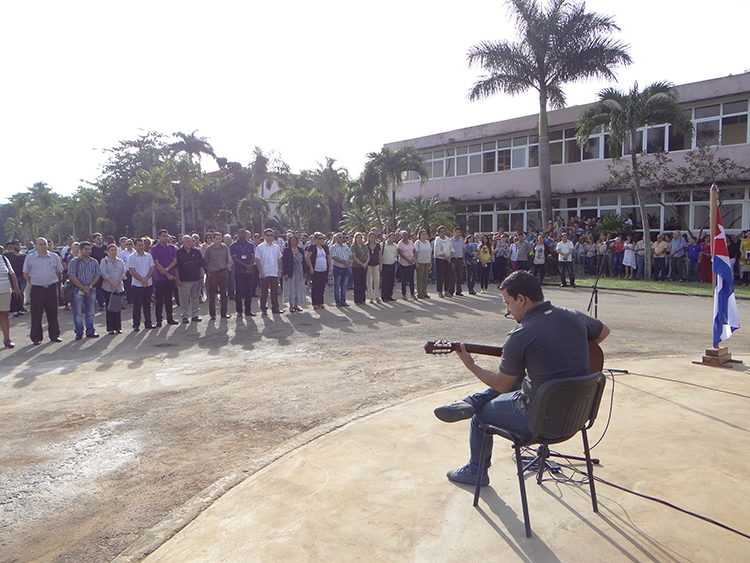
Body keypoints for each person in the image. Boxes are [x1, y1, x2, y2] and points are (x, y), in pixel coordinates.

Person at [436, 270, 609, 486]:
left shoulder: (521, 335)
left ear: (521, 299)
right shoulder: (573, 316)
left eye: (508, 303)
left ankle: (476, 470)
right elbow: (604, 332)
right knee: (519, 381)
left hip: (537, 420)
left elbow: (501, 384)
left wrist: (471, 365)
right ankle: (473, 400)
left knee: (481, 416)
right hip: (576, 417)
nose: (508, 310)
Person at [23, 237, 64, 345]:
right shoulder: (30, 258)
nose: (43, 246)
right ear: (36, 246)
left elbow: (58, 271)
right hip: (37, 289)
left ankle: (54, 335)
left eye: (44, 244)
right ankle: (36, 337)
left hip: (50, 288)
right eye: (40, 244)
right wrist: (34, 281)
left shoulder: (54, 257)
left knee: (53, 312)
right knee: (36, 313)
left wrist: (50, 279)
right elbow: (26, 273)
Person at [67, 241, 102, 340]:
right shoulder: (74, 262)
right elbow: (72, 276)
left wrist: (90, 286)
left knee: (90, 312)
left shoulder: (94, 262)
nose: (88, 251)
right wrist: (83, 287)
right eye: (86, 249)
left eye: (89, 249)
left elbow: (97, 275)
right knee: (77, 312)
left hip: (91, 289)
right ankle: (79, 332)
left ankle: (90, 331)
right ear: (80, 250)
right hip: (78, 290)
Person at [150, 229, 179, 327]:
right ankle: (159, 320)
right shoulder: (154, 248)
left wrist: (167, 270)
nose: (165, 238)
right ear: (158, 237)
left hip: (170, 277)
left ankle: (170, 318)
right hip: (159, 278)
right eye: (163, 236)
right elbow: (156, 263)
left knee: (169, 299)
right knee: (159, 300)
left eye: (167, 236)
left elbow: (174, 261)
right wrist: (166, 273)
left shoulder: (172, 247)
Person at [175, 235, 205, 323]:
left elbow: (201, 265)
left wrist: (201, 276)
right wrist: (178, 279)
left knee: (195, 298)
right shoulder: (178, 252)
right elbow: (176, 268)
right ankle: (184, 315)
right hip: (184, 280)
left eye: (190, 241)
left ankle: (195, 315)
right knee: (184, 299)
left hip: (195, 279)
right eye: (187, 241)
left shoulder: (196, 251)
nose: (189, 243)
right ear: (182, 242)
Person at [128, 238, 155, 331]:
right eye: (139, 245)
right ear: (135, 246)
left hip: (148, 283)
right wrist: (141, 280)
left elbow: (152, 268)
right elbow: (131, 271)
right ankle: (136, 324)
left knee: (147, 304)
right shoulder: (131, 257)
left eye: (142, 245)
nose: (141, 247)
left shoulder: (148, 256)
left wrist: (146, 278)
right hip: (137, 285)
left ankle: (148, 323)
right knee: (137, 305)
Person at [100, 243, 127, 335]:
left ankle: (118, 327)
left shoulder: (120, 261)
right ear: (107, 252)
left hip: (118, 287)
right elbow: (104, 273)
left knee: (117, 308)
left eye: (115, 250)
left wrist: (117, 282)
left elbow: (123, 272)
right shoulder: (105, 261)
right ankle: (110, 328)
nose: (113, 252)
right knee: (109, 307)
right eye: (111, 250)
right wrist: (112, 283)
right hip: (108, 287)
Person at [256, 228, 285, 315]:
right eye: (268, 235)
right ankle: (263, 309)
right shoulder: (260, 247)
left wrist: (279, 271)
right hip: (265, 272)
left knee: (275, 292)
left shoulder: (276, 247)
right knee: (264, 292)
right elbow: (258, 260)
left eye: (271, 235)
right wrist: (260, 271)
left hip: (274, 272)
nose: (270, 237)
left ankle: (275, 307)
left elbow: (279, 259)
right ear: (264, 236)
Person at [204, 232, 232, 320]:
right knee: (212, 295)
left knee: (224, 294)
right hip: (213, 273)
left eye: (220, 239)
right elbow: (205, 262)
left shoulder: (224, 248)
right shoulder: (209, 249)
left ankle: (223, 313)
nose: (218, 240)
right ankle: (212, 314)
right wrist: (208, 272)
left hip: (223, 272)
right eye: (217, 239)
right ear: (213, 239)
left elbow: (226, 260)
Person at [230, 228, 256, 318]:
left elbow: (253, 256)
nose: (243, 235)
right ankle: (239, 311)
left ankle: (248, 310)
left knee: (249, 291)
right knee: (239, 292)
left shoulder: (250, 245)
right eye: (241, 233)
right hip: (239, 271)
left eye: (244, 233)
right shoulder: (233, 245)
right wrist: (246, 266)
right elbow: (235, 259)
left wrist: (250, 266)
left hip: (249, 271)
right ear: (238, 234)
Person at [0, 252, 23, 348]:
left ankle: (7, 339)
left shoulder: (4, 259)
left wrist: (16, 288)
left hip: (5, 290)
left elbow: (11, 273)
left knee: (4, 314)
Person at [305, 232, 331, 311]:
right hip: (315, 270)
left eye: (323, 238)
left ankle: (321, 302)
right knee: (315, 286)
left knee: (322, 286)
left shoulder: (325, 247)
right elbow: (308, 258)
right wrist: (311, 268)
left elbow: (328, 258)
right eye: (320, 238)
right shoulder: (312, 247)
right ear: (315, 239)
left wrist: (329, 268)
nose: (322, 240)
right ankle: (315, 303)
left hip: (324, 270)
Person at [282, 234, 308, 312]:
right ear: (289, 241)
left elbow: (304, 261)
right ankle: (291, 305)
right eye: (292, 240)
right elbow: (284, 263)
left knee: (298, 288)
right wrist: (285, 273)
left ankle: (296, 305)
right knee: (291, 288)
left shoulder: (300, 249)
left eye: (295, 240)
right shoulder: (287, 250)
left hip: (299, 271)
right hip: (290, 271)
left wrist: (305, 272)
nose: (294, 242)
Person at [329, 232, 352, 307]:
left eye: (343, 237)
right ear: (335, 238)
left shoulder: (346, 246)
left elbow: (350, 255)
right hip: (337, 268)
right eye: (340, 237)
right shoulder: (333, 247)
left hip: (346, 268)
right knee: (337, 285)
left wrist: (348, 262)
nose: (342, 239)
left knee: (344, 285)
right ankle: (337, 301)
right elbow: (334, 257)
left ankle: (343, 300)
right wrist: (343, 262)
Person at [433, 226, 453, 298]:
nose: (443, 233)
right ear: (438, 233)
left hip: (448, 259)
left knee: (448, 275)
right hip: (440, 259)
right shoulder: (437, 240)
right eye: (442, 231)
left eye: (444, 231)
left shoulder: (448, 240)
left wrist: (449, 257)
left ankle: (446, 291)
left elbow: (451, 250)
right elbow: (438, 251)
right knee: (440, 276)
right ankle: (440, 291)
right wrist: (446, 257)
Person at [350, 232, 369, 304]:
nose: (359, 239)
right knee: (357, 283)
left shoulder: (364, 246)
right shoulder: (353, 246)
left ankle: (362, 299)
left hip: (364, 266)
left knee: (363, 283)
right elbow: (354, 257)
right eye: (358, 238)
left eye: (360, 238)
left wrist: (366, 263)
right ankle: (357, 300)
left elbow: (368, 255)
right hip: (356, 266)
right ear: (355, 239)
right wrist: (361, 264)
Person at [414, 229, 432, 299]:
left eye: (425, 234)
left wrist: (430, 262)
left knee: (425, 278)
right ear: (419, 235)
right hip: (420, 262)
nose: (424, 236)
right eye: (422, 234)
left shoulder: (428, 242)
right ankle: (419, 292)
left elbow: (430, 252)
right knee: (420, 278)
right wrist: (416, 262)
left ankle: (424, 292)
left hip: (427, 262)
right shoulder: (417, 242)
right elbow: (415, 253)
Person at [380, 233, 398, 302]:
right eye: (391, 238)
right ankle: (384, 296)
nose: (392, 239)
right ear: (388, 237)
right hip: (385, 264)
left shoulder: (395, 246)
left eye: (394, 238)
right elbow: (380, 254)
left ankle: (389, 295)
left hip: (392, 264)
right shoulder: (383, 245)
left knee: (391, 281)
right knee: (384, 281)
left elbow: (396, 254)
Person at [365, 231, 382, 304]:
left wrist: (381, 264)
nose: (372, 239)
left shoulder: (378, 245)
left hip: (376, 264)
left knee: (377, 280)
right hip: (369, 264)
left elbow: (380, 255)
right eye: (371, 237)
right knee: (369, 281)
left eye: (373, 237)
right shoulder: (366, 245)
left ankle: (377, 296)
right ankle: (371, 296)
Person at [449, 227, 465, 296]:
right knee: (452, 276)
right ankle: (451, 290)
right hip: (453, 259)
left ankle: (459, 291)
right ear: (454, 232)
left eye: (459, 232)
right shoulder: (450, 241)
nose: (458, 234)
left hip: (460, 259)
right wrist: (450, 261)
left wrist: (464, 260)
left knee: (460, 275)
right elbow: (449, 251)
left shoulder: (461, 241)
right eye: (457, 232)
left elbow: (463, 250)